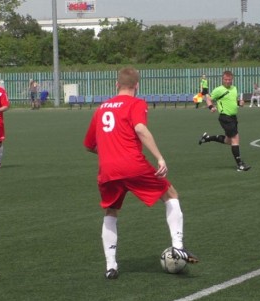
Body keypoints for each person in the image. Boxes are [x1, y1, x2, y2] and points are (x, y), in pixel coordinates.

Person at [83, 67, 198, 280]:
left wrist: (109, 151)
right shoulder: (137, 103)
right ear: (137, 85)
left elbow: (89, 145)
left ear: (117, 85)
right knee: (170, 194)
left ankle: (111, 266)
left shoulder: (101, 108)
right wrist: (160, 158)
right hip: (132, 165)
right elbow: (140, 129)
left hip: (107, 170)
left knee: (110, 212)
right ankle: (178, 246)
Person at [198, 70, 251, 172]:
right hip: (225, 117)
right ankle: (240, 165)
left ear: (232, 79)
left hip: (233, 118)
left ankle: (207, 138)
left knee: (228, 141)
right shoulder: (218, 90)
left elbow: (233, 101)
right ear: (222, 79)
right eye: (226, 79)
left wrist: (240, 103)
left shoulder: (234, 88)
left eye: (229, 80)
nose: (227, 81)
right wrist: (211, 107)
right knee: (235, 139)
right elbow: (208, 98)